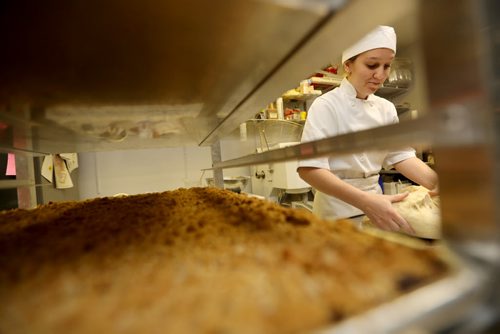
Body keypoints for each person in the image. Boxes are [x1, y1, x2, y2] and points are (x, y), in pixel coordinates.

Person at [297, 25, 438, 234]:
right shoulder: (326, 105)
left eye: (386, 66)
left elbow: (399, 155)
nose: (380, 75)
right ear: (348, 65)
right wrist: (365, 201)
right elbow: (310, 170)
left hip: (378, 210)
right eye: (372, 65)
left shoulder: (385, 108)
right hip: (335, 214)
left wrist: (438, 183)